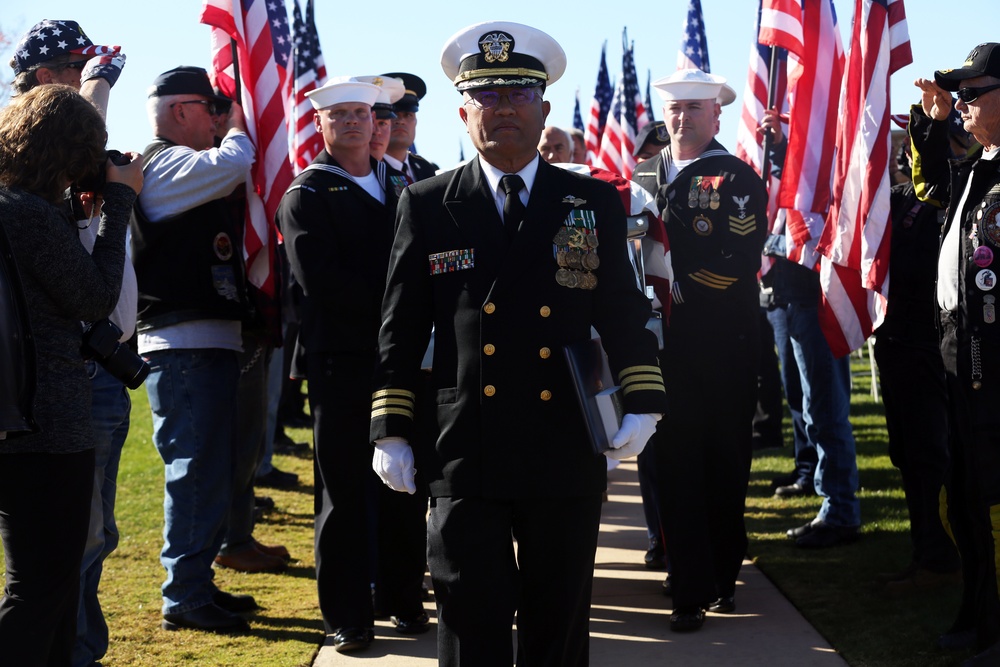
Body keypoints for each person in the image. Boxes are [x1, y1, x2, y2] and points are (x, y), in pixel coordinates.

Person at [370, 21, 667, 666]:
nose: (504, 108)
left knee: (556, 615)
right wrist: (392, 425)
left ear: (543, 109)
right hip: (464, 439)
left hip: (561, 434)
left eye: (518, 96)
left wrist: (644, 399)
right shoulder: (428, 202)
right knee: (467, 612)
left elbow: (621, 308)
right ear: (464, 110)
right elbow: (401, 321)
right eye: (488, 96)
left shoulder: (591, 201)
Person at [277, 76, 426, 653]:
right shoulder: (308, 193)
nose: (355, 123)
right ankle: (348, 613)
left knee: (405, 481)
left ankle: (401, 598)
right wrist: (402, 305)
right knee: (345, 488)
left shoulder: (405, 184)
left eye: (362, 112)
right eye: (339, 115)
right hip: (343, 360)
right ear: (320, 124)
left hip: (405, 358)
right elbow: (322, 282)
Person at [0, 84, 142, 667]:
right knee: (40, 587)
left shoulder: (20, 207)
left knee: (46, 589)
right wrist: (120, 204)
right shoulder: (26, 214)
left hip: (22, 419)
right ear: (72, 149)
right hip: (47, 423)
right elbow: (94, 296)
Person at [631, 68, 767, 632]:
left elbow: (734, 262)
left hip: (721, 344)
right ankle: (689, 587)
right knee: (672, 465)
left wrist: (669, 291)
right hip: (662, 350)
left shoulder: (734, 177)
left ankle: (721, 574)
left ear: (716, 115)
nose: (681, 117)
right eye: (674, 109)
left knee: (724, 464)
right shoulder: (644, 174)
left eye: (693, 108)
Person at [132, 66, 257, 634]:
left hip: (205, 340)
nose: (218, 119)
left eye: (222, 111)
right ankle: (182, 596)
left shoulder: (178, 164)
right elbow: (237, 162)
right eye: (211, 110)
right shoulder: (161, 162)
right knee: (195, 471)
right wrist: (242, 124)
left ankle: (196, 583)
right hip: (183, 346)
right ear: (181, 111)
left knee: (210, 470)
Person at [911, 42, 1000, 664]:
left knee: (994, 497)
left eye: (974, 91)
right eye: (959, 92)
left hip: (996, 358)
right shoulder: (978, 164)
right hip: (959, 350)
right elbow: (928, 183)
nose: (962, 101)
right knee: (966, 493)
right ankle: (979, 611)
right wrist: (932, 121)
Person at [872, 134, 962, 594]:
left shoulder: (950, 195)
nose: (910, 154)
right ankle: (924, 552)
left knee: (931, 454)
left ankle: (941, 558)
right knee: (906, 454)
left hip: (929, 346)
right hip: (895, 341)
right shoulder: (900, 197)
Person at [381, 71, 439, 182]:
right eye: (393, 114)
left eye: (408, 115)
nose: (401, 121)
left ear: (415, 121)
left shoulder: (425, 168)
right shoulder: (365, 169)